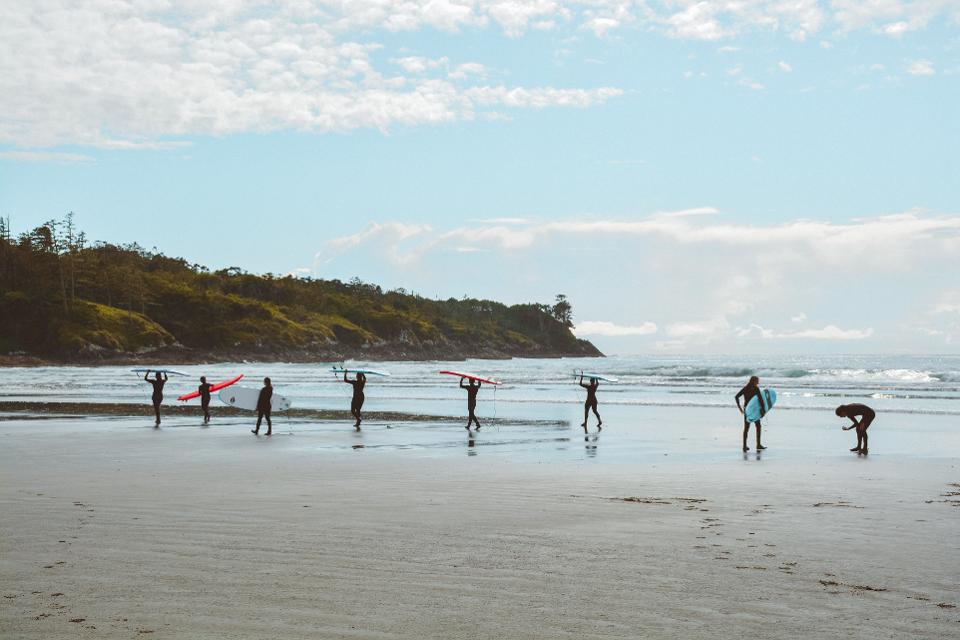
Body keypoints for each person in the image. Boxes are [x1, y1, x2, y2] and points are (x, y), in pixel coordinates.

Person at [735, 375, 766, 452]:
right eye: (757, 380)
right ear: (754, 381)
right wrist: (763, 410)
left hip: (747, 410)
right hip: (754, 410)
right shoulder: (756, 389)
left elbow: (736, 397)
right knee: (758, 426)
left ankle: (744, 446)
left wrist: (740, 407)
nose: (758, 382)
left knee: (747, 428)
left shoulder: (746, 388)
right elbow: (760, 399)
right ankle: (758, 444)